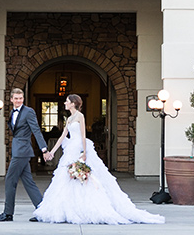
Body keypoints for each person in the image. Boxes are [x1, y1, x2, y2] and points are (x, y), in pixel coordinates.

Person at [32, 94, 164, 225]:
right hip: (70, 149)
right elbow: (62, 137)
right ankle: (68, 208)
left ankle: (87, 208)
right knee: (66, 178)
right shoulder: (69, 118)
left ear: (73, 103)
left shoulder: (80, 116)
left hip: (79, 148)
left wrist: (84, 152)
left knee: (86, 177)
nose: (65, 103)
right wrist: (52, 152)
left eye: (67, 101)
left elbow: (83, 135)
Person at [0, 88, 53, 222]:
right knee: (28, 182)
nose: (19, 101)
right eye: (16, 98)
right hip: (19, 149)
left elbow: (36, 130)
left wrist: (44, 149)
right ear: (11, 99)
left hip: (22, 151)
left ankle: (8, 213)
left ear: (23, 99)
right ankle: (44, 211)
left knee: (9, 180)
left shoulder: (28, 112)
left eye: (21, 98)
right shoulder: (13, 112)